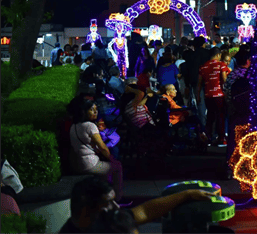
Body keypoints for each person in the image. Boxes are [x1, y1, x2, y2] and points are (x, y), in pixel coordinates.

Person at [59, 176, 217, 234]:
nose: (116, 207)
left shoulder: (110, 221)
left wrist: (187, 194)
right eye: (107, 203)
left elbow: (146, 211)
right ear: (86, 208)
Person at [67, 96, 123, 202]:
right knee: (117, 167)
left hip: (75, 164)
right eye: (92, 110)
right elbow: (102, 147)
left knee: (105, 172)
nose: (95, 112)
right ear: (83, 112)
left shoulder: (74, 126)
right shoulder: (90, 126)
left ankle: (103, 198)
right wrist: (111, 159)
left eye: (96, 109)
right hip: (88, 164)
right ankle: (118, 198)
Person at [198, 47, 231, 145]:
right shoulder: (221, 65)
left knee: (210, 117)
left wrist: (197, 95)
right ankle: (221, 138)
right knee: (220, 116)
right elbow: (225, 81)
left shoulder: (203, 67)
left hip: (208, 95)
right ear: (218, 55)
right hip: (219, 95)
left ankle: (208, 137)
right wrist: (228, 93)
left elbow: (199, 83)